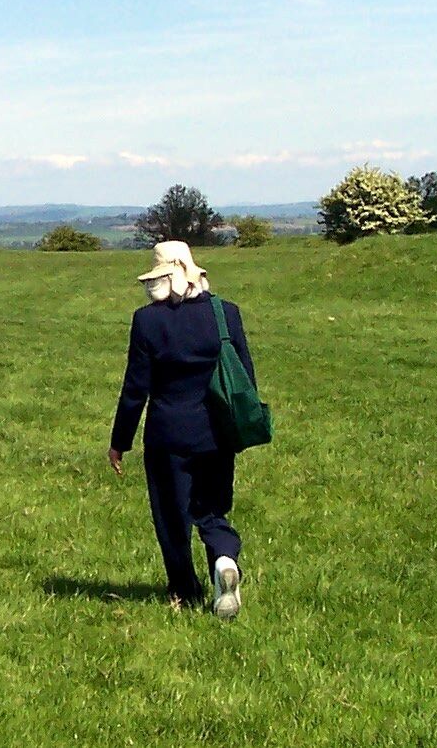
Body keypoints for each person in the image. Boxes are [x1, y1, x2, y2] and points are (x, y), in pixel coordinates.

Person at [108, 240, 255, 618]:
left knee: (172, 517)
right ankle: (224, 559)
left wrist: (119, 442)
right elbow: (245, 378)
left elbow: (135, 388)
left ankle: (185, 592)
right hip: (217, 433)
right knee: (212, 509)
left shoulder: (148, 320)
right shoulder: (226, 314)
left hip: (167, 435)